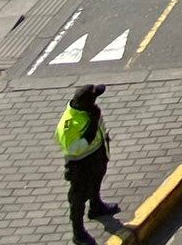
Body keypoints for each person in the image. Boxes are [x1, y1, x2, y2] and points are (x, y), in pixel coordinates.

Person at [57, 83, 120, 244]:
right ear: (85, 103)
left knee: (96, 181)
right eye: (94, 99)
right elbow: (74, 149)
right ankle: (78, 233)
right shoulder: (69, 124)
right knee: (78, 199)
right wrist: (92, 126)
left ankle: (96, 206)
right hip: (81, 167)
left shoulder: (89, 111)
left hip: (97, 157)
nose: (96, 102)